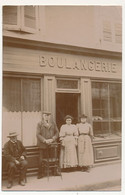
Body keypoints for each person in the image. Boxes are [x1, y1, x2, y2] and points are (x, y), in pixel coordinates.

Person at [36, 111, 59, 179]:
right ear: (43, 116)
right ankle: (41, 173)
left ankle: (54, 171)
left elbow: (57, 133)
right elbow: (38, 134)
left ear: (50, 116)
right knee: (41, 159)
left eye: (48, 115)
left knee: (53, 157)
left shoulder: (53, 123)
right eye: (45, 115)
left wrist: (52, 139)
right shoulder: (39, 123)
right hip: (43, 144)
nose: (47, 117)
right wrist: (45, 140)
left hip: (52, 144)